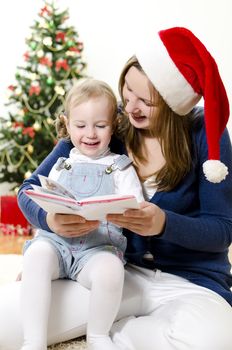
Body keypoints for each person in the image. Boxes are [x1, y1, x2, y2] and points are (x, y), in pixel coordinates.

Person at [0, 26, 232, 350]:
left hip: (189, 282)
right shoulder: (108, 125)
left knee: (215, 341)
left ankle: (121, 332)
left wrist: (163, 223)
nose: (131, 106)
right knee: (6, 324)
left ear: (172, 103)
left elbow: (221, 230)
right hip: (113, 270)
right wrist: (49, 223)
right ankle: (113, 327)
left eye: (146, 101)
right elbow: (29, 188)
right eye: (128, 91)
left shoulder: (205, 133)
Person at [19, 78, 144, 350]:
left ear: (115, 125)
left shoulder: (120, 166)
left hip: (98, 249)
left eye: (100, 126)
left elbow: (135, 203)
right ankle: (33, 340)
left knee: (111, 272)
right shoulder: (62, 162)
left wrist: (117, 209)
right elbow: (42, 197)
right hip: (57, 244)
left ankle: (98, 335)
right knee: (36, 257)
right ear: (66, 124)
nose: (90, 134)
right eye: (80, 125)